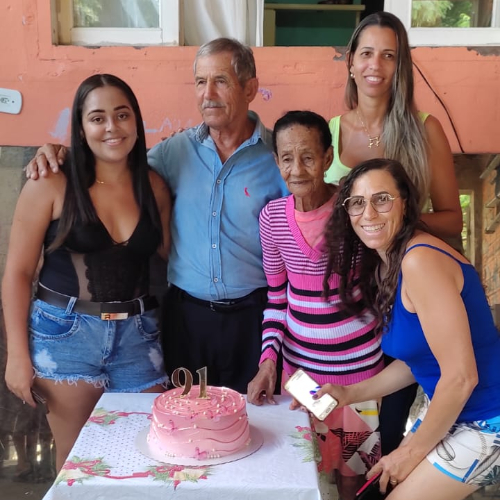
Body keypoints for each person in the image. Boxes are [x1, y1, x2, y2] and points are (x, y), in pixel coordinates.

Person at [23, 38, 288, 394]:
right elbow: (113, 160)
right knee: (185, 419)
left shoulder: (278, 159)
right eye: (200, 81)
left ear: (250, 88)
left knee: (255, 418)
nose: (207, 94)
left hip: (254, 320)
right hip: (187, 319)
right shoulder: (173, 152)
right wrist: (60, 153)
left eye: (221, 81)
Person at [2, 73, 171, 471]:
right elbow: (18, 273)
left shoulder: (153, 186)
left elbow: (170, 254)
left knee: (145, 459)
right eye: (97, 118)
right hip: (66, 337)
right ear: (81, 128)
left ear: (136, 121)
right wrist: (16, 356)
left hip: (139, 338)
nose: (112, 127)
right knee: (77, 464)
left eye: (122, 115)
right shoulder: (51, 182)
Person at [316, 158, 500, 500]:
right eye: (357, 202)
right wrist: (349, 393)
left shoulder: (420, 261)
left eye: (382, 199)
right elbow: (418, 361)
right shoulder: (391, 264)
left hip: (489, 419)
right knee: (379, 488)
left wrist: (411, 453)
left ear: (405, 203)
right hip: (453, 411)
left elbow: (461, 378)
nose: (369, 213)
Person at [325, 11, 463, 455]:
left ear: (401, 66)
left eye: (389, 55)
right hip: (345, 305)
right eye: (367, 53)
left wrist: (391, 227)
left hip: (403, 298)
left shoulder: (425, 130)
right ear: (350, 61)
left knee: (388, 429)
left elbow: (452, 220)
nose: (376, 65)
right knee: (340, 428)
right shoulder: (329, 133)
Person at [247, 111, 383, 500]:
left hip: (358, 377)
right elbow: (276, 299)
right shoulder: (272, 219)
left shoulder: (354, 210)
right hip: (302, 379)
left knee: (355, 478)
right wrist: (268, 362)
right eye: (287, 158)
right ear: (276, 162)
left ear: (327, 158)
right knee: (312, 474)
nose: (297, 169)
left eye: (308, 157)